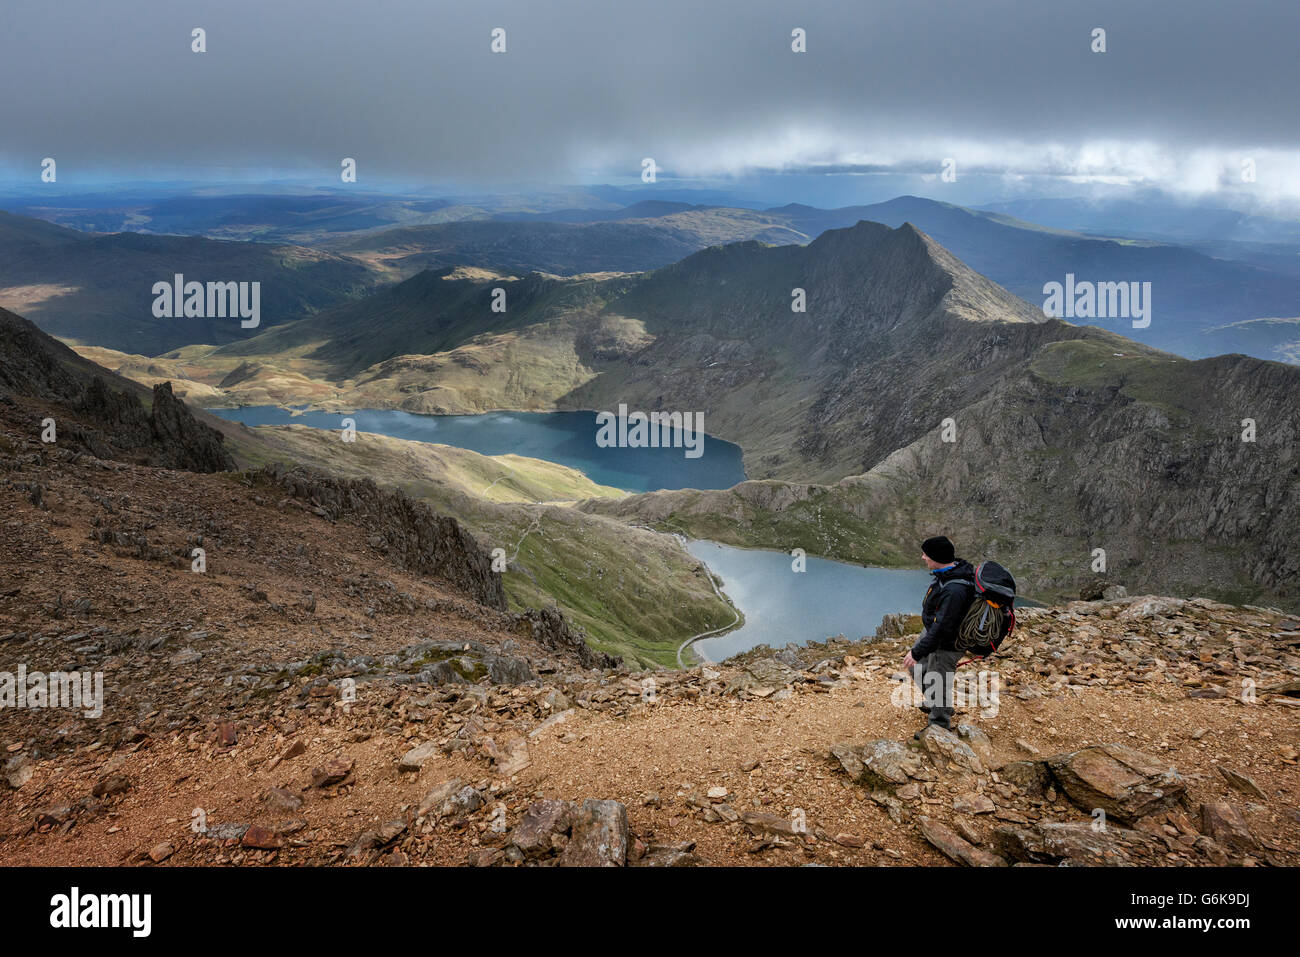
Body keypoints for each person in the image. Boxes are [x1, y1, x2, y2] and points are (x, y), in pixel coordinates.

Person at [901, 536, 975, 736]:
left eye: (926, 554)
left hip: (947, 643)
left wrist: (917, 651)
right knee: (917, 669)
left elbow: (943, 626)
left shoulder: (955, 589)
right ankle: (938, 704)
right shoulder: (948, 574)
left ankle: (939, 725)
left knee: (937, 681)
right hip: (935, 634)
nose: (923, 557)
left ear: (936, 557)